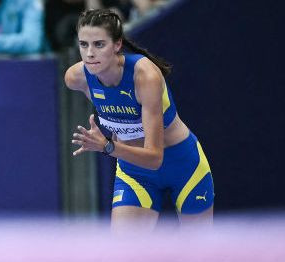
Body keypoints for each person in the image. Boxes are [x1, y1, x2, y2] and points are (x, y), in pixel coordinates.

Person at [64, 9, 212, 232]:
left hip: (182, 165)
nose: (90, 53)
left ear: (117, 45)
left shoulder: (145, 76)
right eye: (84, 45)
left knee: (202, 258)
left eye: (99, 44)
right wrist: (112, 142)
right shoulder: (77, 78)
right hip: (134, 171)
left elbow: (154, 158)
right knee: (123, 259)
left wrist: (107, 146)